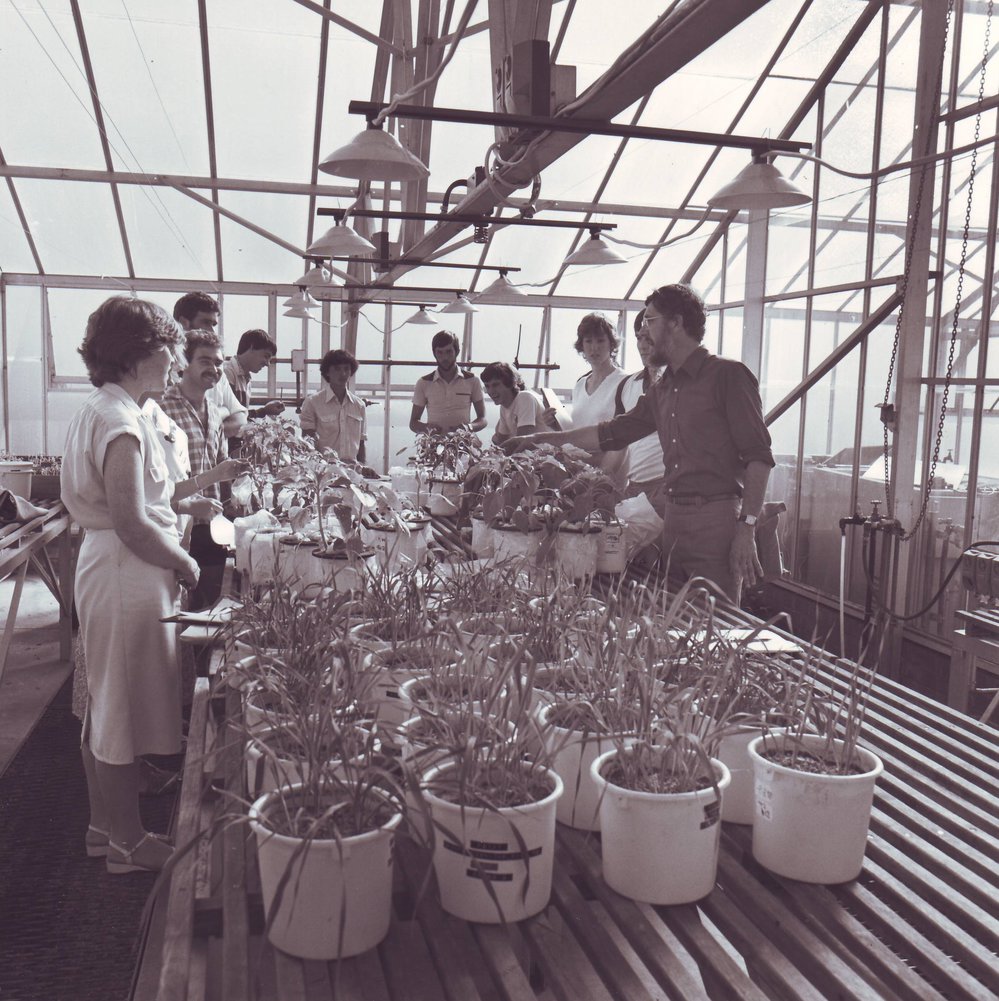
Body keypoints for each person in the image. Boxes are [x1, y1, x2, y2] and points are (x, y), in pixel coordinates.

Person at [504, 284, 774, 604]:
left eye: (649, 321)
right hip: (673, 520)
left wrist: (747, 527)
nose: (643, 332)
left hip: (715, 521)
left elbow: (759, 456)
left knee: (718, 625)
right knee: (677, 619)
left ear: (675, 322)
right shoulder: (664, 388)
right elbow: (614, 432)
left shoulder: (727, 375)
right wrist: (543, 439)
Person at [61, 295, 199, 873]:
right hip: (125, 570)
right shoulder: (120, 422)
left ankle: (102, 828)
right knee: (116, 710)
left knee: (105, 705)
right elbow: (132, 519)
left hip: (115, 567)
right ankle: (128, 844)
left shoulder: (110, 408)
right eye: (169, 349)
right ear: (140, 354)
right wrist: (184, 563)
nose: (174, 361)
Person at [160, 329, 230, 610]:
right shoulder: (162, 407)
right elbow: (155, 483)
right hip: (175, 526)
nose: (214, 369)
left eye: (218, 363)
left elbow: (219, 463)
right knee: (177, 608)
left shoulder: (214, 410)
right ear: (183, 364)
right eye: (205, 361)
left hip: (210, 526)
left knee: (209, 605)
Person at [172, 292, 247, 443]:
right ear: (183, 323)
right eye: (206, 322)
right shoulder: (166, 370)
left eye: (213, 324)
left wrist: (208, 427)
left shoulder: (216, 372)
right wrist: (224, 412)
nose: (212, 331)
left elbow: (240, 418)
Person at [570, 312, 628, 486]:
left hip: (609, 475)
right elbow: (578, 429)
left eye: (600, 341)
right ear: (582, 345)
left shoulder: (624, 382)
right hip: (578, 474)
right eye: (588, 341)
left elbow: (624, 440)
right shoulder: (580, 384)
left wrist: (600, 478)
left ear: (612, 344)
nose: (594, 348)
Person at [615, 308, 665, 500]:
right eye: (639, 338)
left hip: (669, 488)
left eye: (649, 339)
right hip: (635, 487)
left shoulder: (681, 385)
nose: (643, 346)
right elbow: (617, 441)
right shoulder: (627, 385)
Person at [409, 330, 487, 434]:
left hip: (463, 444)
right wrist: (427, 428)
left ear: (457, 352)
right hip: (433, 445)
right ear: (434, 354)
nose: (445, 357)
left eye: (449, 351)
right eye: (440, 352)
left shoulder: (472, 380)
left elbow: (483, 419)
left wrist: (468, 427)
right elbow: (413, 423)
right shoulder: (423, 383)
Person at [300, 348, 368, 462]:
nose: (343, 374)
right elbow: (308, 444)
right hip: (323, 470)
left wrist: (363, 469)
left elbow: (361, 443)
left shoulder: (359, 405)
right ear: (327, 372)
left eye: (347, 369)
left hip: (353, 471)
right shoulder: (313, 402)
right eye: (337, 369)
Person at [480, 361, 546, 446]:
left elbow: (522, 441)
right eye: (487, 386)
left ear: (510, 383)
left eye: (495, 385)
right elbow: (500, 441)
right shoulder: (504, 407)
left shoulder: (525, 398)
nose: (491, 391)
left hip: (549, 455)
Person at [223, 328, 285, 418]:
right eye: (266, 356)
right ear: (251, 347)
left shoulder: (246, 378)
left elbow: (240, 417)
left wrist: (265, 411)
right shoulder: (227, 373)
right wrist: (264, 411)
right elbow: (230, 418)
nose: (267, 364)